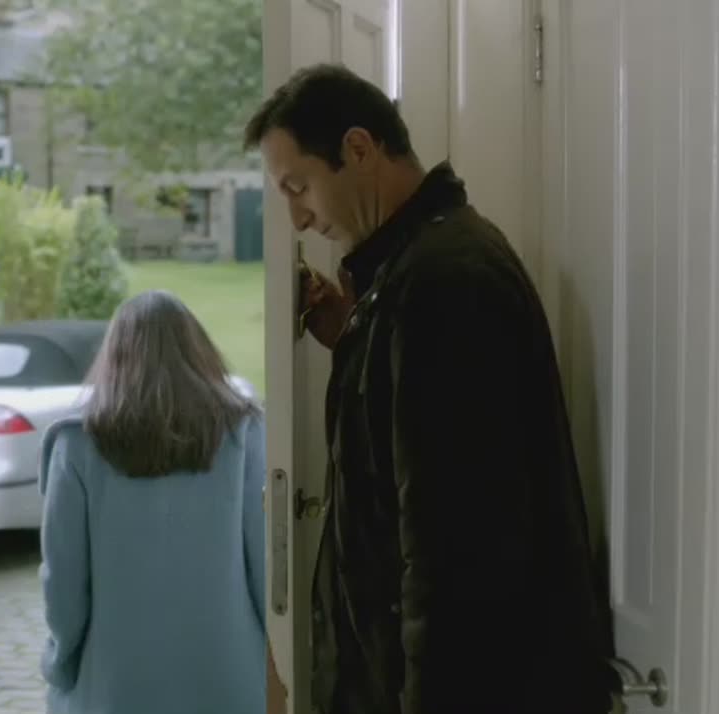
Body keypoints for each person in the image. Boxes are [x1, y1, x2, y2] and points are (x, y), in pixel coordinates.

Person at [246, 63, 617, 714]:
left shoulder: (447, 283)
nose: (297, 219)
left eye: (298, 187)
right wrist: (354, 336)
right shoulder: (415, 271)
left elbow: (456, 551)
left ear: (359, 149)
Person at [36, 290, 267, 714]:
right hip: (230, 678)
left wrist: (60, 660)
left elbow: (63, 581)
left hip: (114, 685)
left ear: (115, 356)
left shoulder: (75, 445)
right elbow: (267, 566)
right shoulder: (245, 434)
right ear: (198, 351)